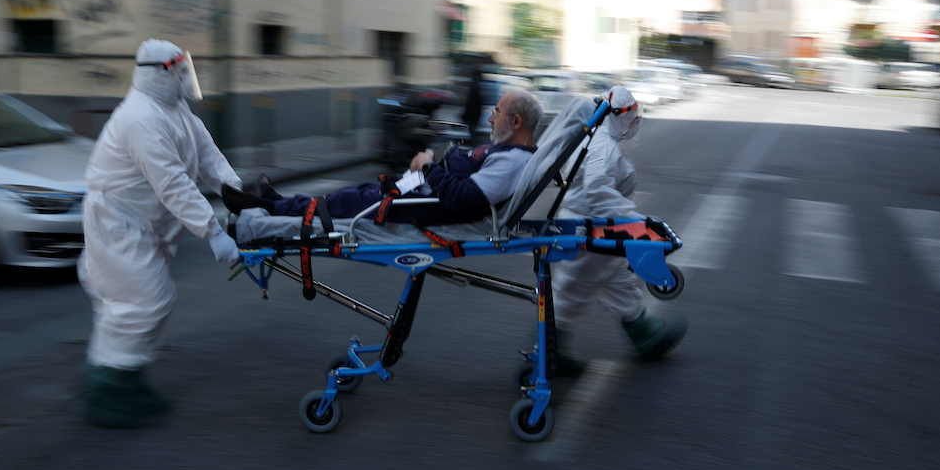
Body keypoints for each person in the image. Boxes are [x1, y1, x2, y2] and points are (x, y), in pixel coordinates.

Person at [78, 39, 243, 429]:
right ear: (163, 72)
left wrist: (237, 192)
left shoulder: (175, 108)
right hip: (116, 222)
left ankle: (118, 380)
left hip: (140, 223)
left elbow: (207, 155)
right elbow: (171, 183)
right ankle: (109, 390)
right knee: (144, 301)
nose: (188, 77)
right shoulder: (141, 117)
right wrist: (213, 231)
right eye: (182, 71)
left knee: (126, 305)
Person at [222, 89, 543, 227]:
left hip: (424, 204)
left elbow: (463, 197)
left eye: (496, 113)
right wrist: (432, 158)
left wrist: (427, 166)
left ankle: (262, 206)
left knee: (344, 202)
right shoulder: (507, 151)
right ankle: (275, 202)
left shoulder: (514, 160)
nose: (490, 119)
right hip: (419, 191)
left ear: (516, 122)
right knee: (348, 195)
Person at [550, 85, 687, 375]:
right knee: (569, 293)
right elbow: (597, 190)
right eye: (633, 117)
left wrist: (627, 220)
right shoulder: (603, 147)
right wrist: (632, 218)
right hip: (588, 229)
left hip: (598, 227)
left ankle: (647, 336)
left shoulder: (600, 139)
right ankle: (550, 354)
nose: (636, 122)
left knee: (617, 280)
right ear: (619, 117)